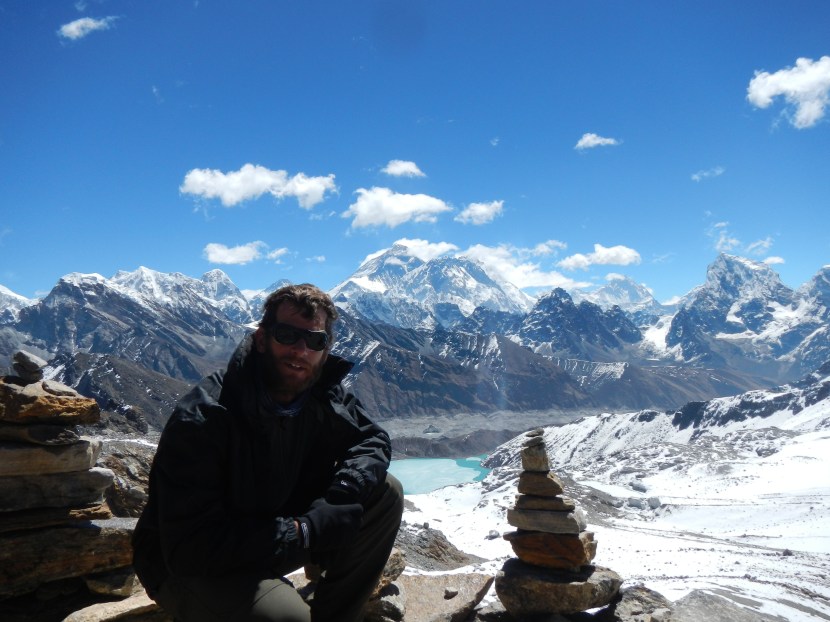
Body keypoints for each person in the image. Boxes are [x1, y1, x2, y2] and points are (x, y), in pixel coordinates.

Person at [132, 283, 403, 622]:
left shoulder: (322, 394)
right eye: (287, 335)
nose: (301, 351)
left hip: (269, 531)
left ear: (325, 348)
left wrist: (343, 489)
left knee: (385, 492)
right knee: (287, 620)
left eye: (315, 340)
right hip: (188, 565)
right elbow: (190, 548)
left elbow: (372, 439)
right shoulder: (207, 416)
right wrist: (304, 531)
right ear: (261, 339)